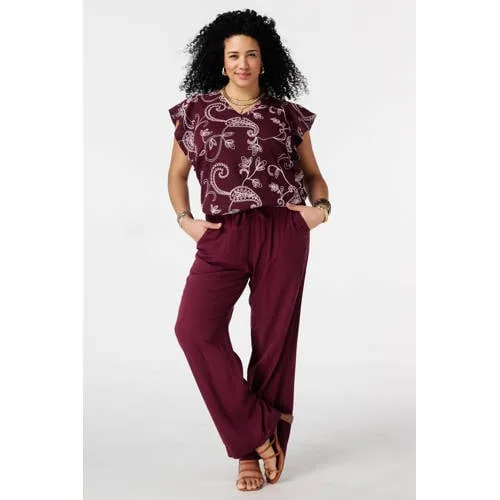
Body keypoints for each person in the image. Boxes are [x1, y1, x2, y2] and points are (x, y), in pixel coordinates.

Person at [167, 9, 332, 492]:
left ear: (264, 61)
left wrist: (320, 209)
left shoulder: (288, 114)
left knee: (273, 340)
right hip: (222, 233)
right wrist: (185, 220)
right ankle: (258, 431)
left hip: (283, 229)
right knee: (194, 329)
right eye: (234, 55)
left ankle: (249, 456)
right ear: (221, 62)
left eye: (251, 55)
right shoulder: (195, 112)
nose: (242, 63)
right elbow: (177, 174)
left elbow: (313, 174)